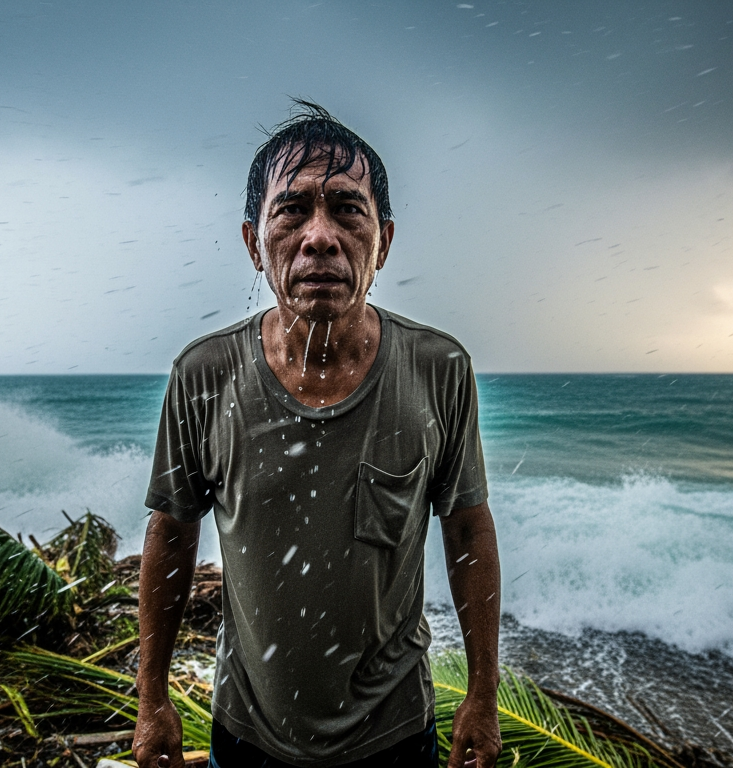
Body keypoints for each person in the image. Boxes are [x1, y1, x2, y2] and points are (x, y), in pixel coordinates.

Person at [133, 101, 502, 768]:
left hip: (395, 735)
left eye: (347, 210)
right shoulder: (204, 374)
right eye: (294, 210)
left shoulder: (439, 369)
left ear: (383, 241)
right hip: (248, 736)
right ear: (254, 243)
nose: (321, 236)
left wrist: (482, 694)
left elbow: (469, 529)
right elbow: (171, 533)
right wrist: (151, 698)